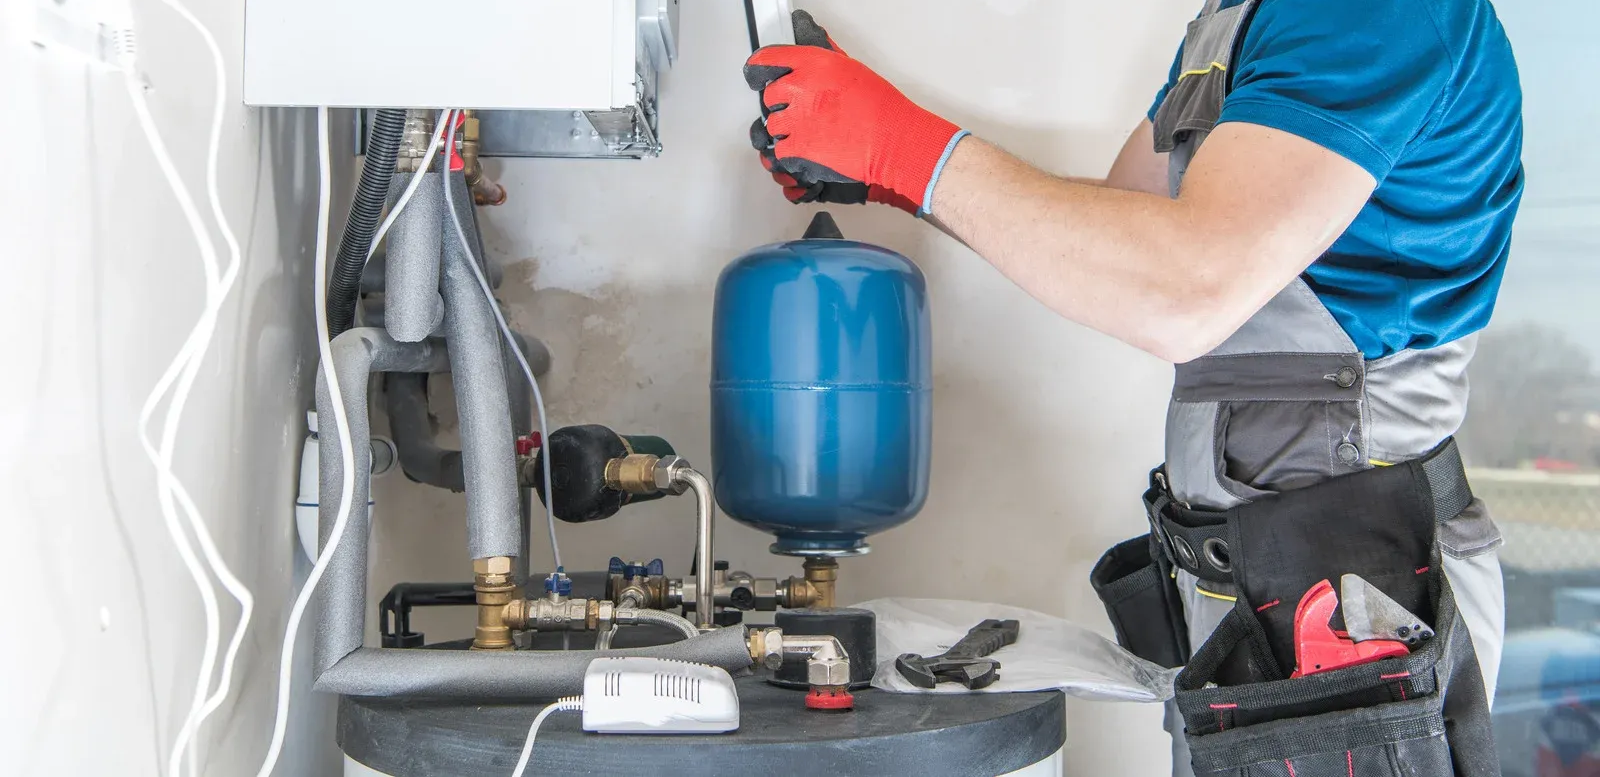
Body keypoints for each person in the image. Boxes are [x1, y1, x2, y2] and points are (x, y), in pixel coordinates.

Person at [744, 4, 1522, 776]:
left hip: (1360, 599)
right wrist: (892, 174)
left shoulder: (1371, 13)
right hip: (1263, 588)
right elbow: (1127, 227)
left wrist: (903, 146)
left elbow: (1182, 287)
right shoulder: (1243, 16)